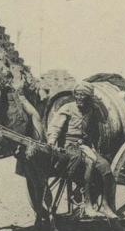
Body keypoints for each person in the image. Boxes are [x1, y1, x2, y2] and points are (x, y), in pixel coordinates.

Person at [46, 81, 117, 219]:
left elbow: (104, 120)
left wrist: (97, 104)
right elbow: (55, 127)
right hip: (69, 145)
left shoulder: (90, 110)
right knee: (88, 163)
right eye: (77, 95)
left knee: (105, 167)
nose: (79, 98)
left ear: (88, 97)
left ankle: (105, 204)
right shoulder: (67, 108)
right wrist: (51, 141)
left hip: (84, 145)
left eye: (83, 96)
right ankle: (86, 203)